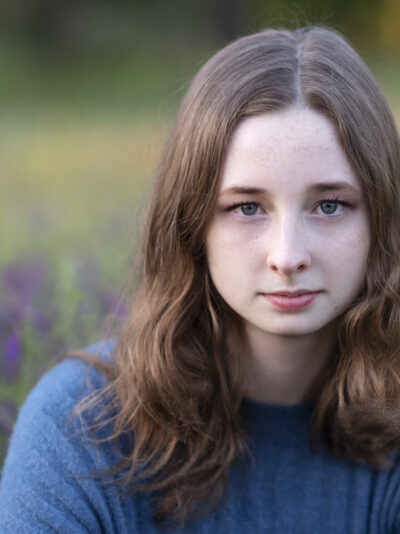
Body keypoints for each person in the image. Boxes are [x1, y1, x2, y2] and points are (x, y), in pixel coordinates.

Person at [1, 25, 400, 533]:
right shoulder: (79, 430)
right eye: (247, 207)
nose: (288, 256)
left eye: (329, 205)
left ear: (381, 218)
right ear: (191, 224)